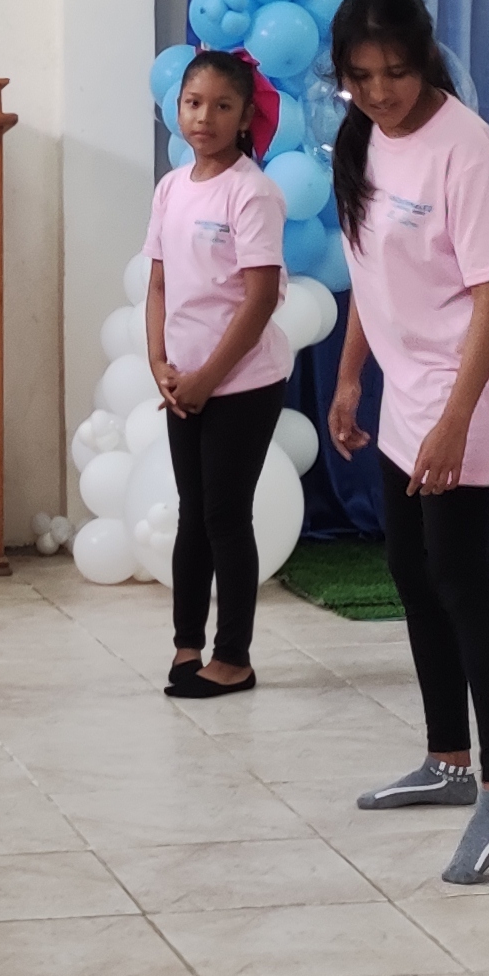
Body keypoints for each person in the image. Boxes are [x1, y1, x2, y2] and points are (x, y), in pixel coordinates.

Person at [321, 0, 489, 883]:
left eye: (397, 73)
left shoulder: (466, 148)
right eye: (361, 77)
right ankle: (448, 759)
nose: (380, 92)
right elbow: (371, 276)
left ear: (426, 59)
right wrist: (348, 378)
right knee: (411, 569)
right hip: (406, 388)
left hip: (467, 390)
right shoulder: (363, 139)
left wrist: (455, 420)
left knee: (461, 577)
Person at [148, 48, 290, 696]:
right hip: (185, 381)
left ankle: (234, 657)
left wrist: (207, 378)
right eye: (193, 103)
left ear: (245, 117)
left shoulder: (252, 193)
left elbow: (259, 299)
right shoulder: (171, 188)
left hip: (242, 382)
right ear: (177, 108)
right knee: (192, 514)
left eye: (222, 106)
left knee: (226, 517)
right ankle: (187, 646)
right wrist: (160, 363)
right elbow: (159, 284)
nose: (204, 117)